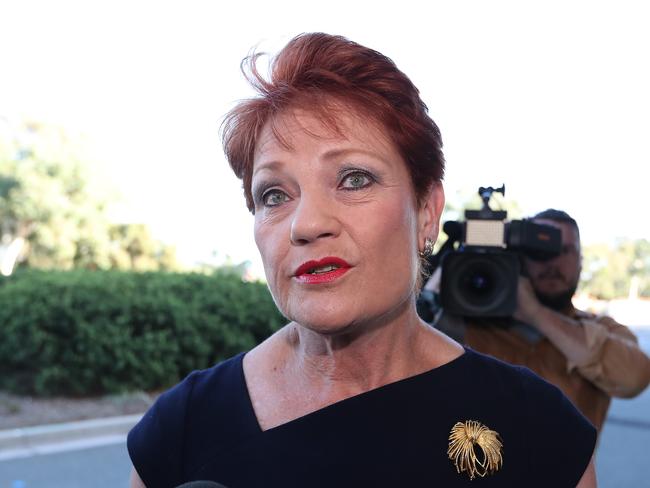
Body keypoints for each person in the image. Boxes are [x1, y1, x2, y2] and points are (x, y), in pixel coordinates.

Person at [127, 34, 597, 487]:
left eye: (354, 179)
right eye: (274, 194)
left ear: (427, 212)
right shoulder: (181, 428)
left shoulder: (538, 429)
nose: (306, 224)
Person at [432, 209, 650, 432]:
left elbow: (634, 378)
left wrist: (535, 314)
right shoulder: (466, 322)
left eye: (565, 250)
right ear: (519, 257)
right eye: (540, 251)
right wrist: (441, 283)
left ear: (581, 262)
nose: (553, 262)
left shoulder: (603, 328)